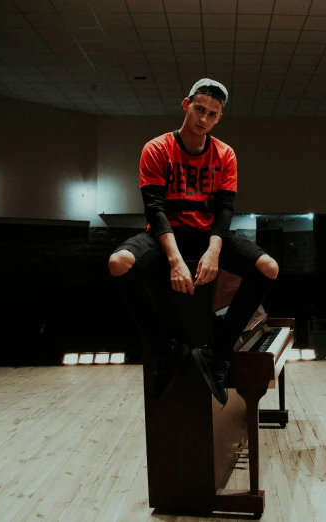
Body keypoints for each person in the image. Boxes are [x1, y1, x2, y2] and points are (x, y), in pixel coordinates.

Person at [108, 78, 279, 405]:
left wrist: (213, 252)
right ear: (186, 105)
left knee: (268, 268)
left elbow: (225, 209)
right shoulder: (157, 148)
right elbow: (155, 210)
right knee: (118, 263)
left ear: (218, 119)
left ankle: (218, 353)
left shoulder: (225, 154)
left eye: (212, 114)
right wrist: (174, 261)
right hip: (163, 237)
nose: (204, 118)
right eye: (199, 109)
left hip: (208, 236)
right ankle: (166, 351)